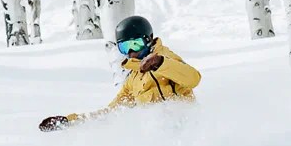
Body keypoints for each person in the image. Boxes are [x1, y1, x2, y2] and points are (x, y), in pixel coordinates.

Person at [39, 15, 202, 131]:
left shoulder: (167, 58)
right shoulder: (133, 80)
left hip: (185, 132)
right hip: (156, 140)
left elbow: (193, 78)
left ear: (149, 39)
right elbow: (112, 112)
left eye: (136, 44)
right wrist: (69, 121)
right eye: (125, 47)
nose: (131, 52)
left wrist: (160, 63)